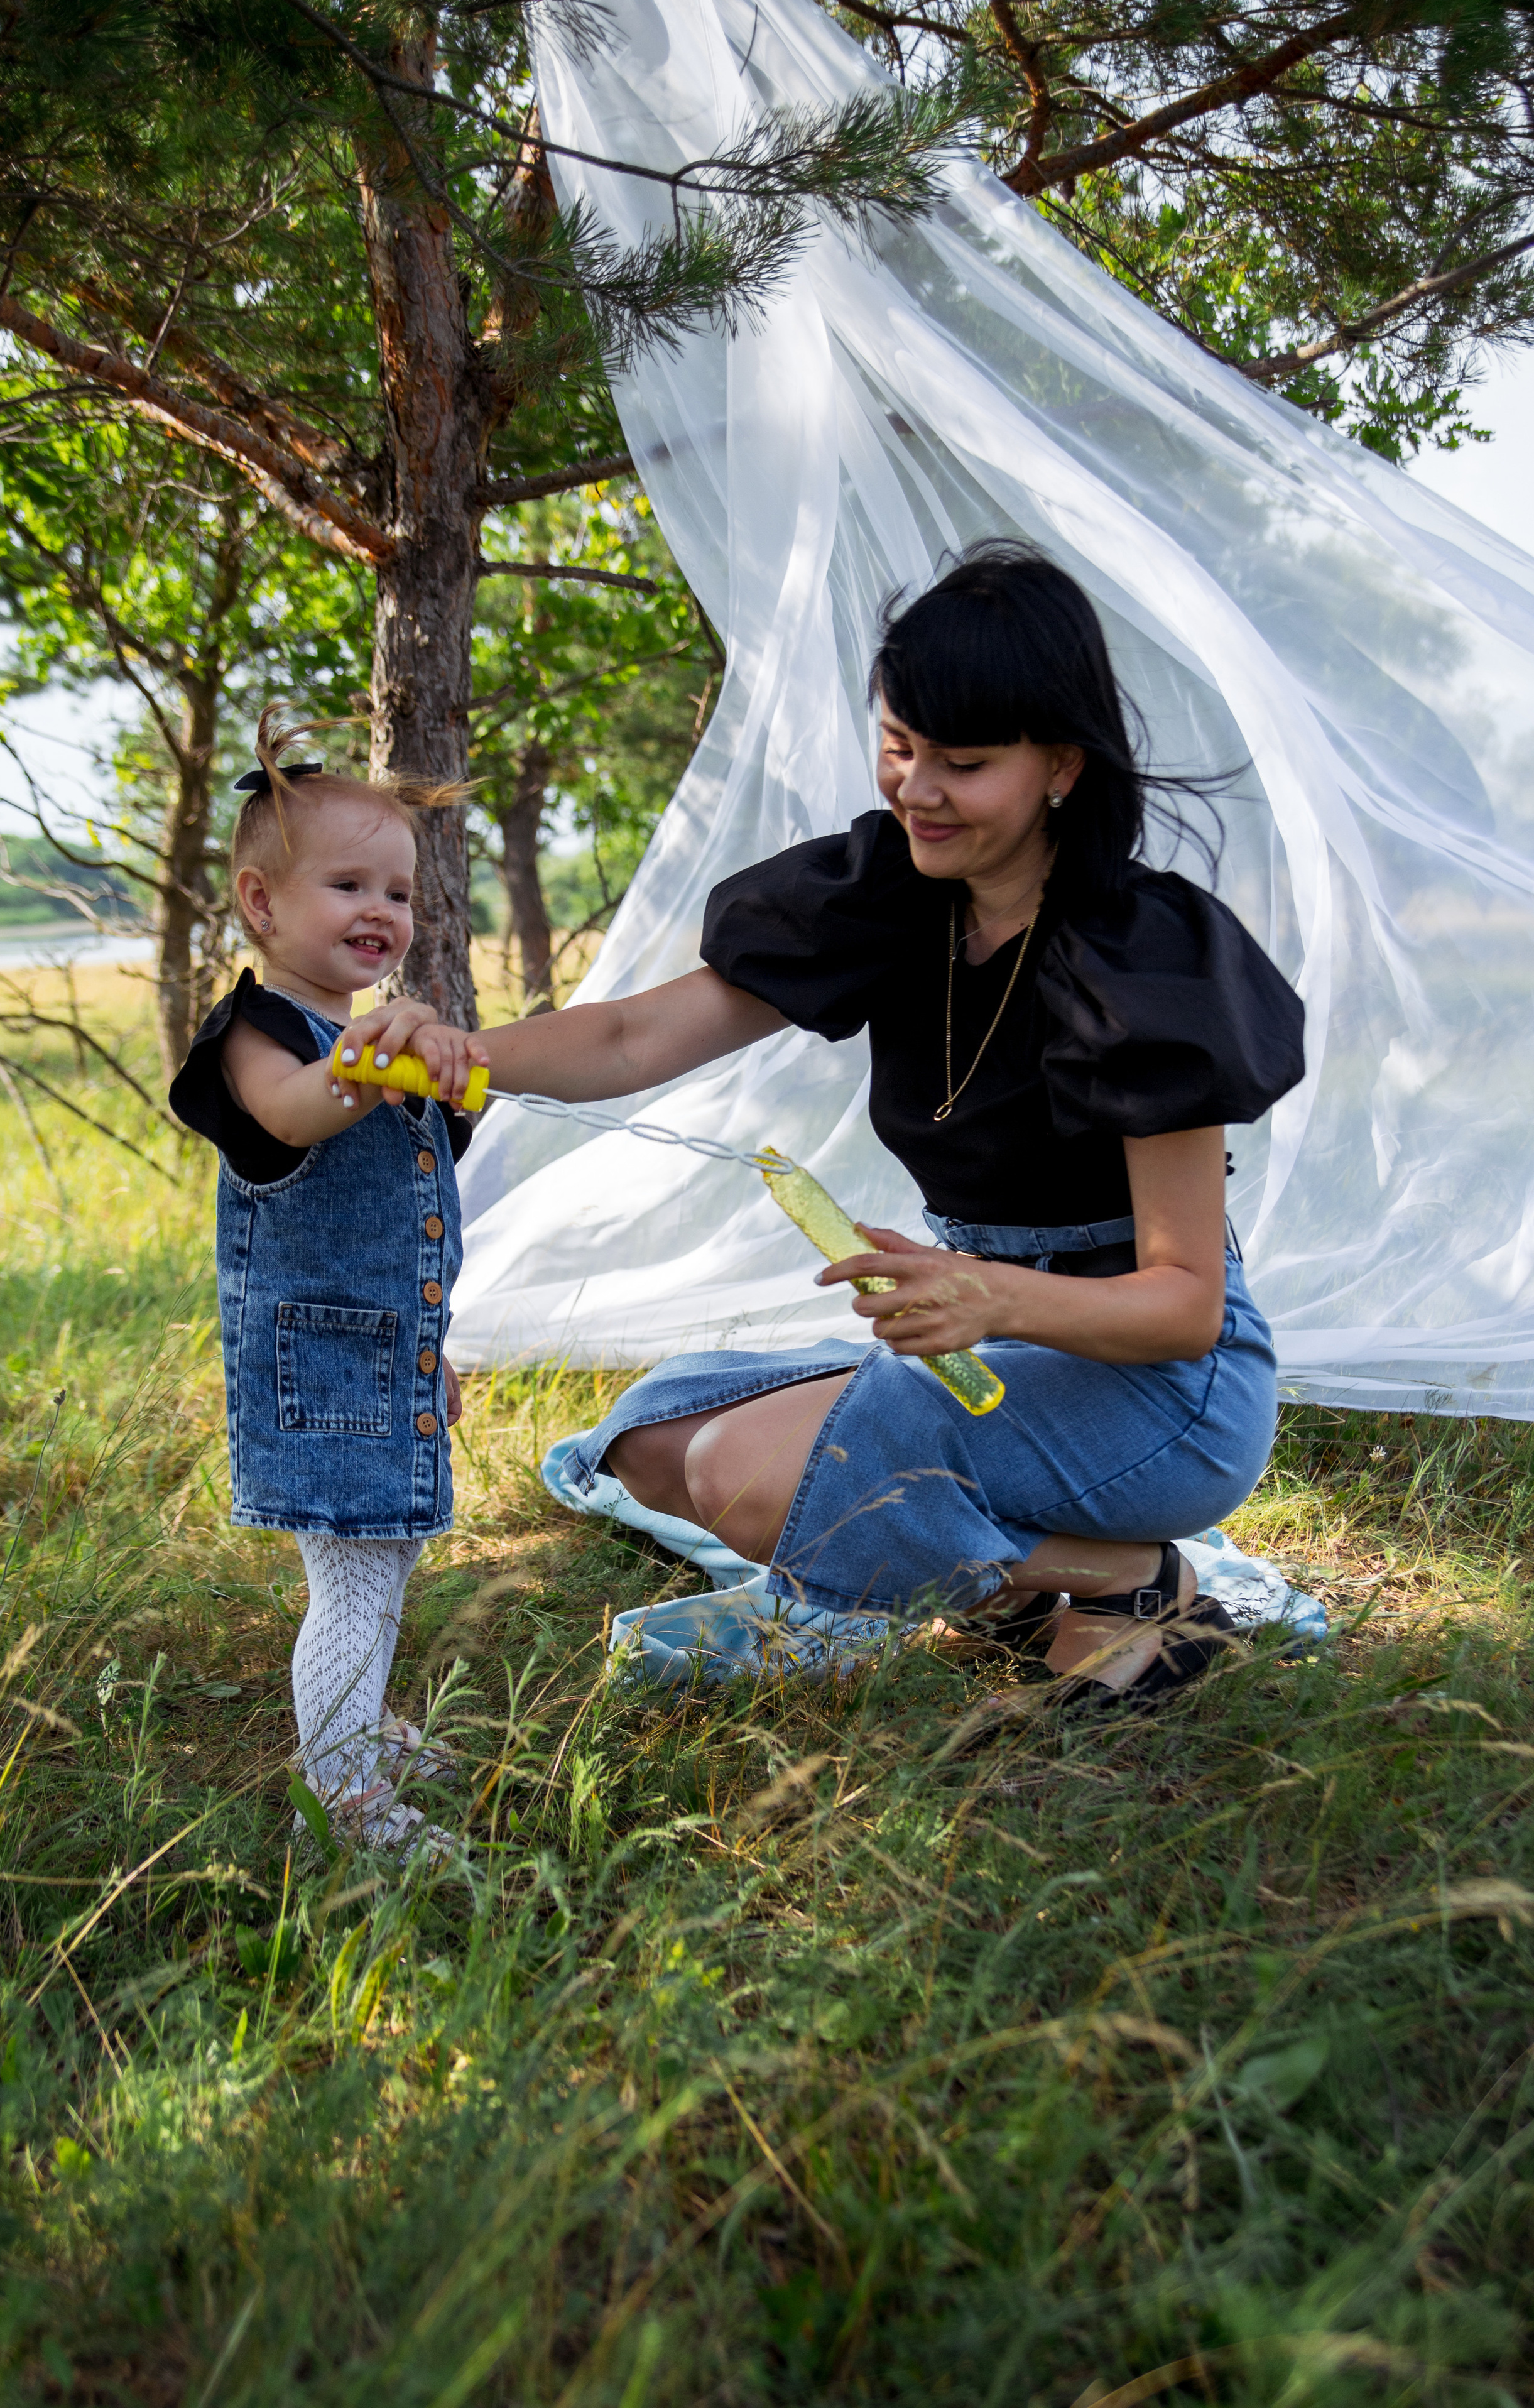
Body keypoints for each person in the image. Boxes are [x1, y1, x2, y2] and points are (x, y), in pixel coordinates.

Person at [361, 543, 1307, 1704]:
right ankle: (1031, 1585)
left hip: (1162, 1385)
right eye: (900, 746)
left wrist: (987, 1295)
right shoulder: (896, 900)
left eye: (963, 763)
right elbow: (630, 1042)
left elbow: (1184, 1306)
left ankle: (1130, 1577)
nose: (916, 789)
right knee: (653, 1444)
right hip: (988, 1346)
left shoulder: (1145, 962)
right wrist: (452, 1061)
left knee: (752, 1477)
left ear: (1061, 765)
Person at [169, 711, 483, 1852]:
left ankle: (354, 1722)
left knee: (384, 1553)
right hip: (313, 1362)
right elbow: (290, 1115)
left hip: (379, 1351)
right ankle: (342, 1795)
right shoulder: (261, 1033)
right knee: (351, 1576)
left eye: (397, 893)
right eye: (349, 884)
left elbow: (412, 1222)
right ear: (262, 904)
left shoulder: (370, 1039)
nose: (381, 913)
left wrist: (428, 1347)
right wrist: (370, 1061)